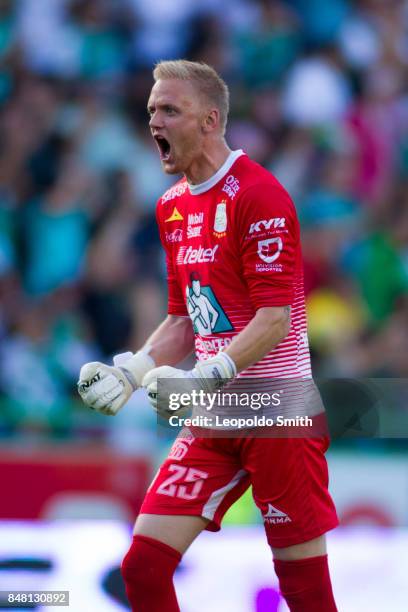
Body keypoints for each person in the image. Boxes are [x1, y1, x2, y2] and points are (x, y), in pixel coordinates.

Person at [77, 60, 339, 611]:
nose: (156, 121)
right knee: (143, 568)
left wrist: (204, 378)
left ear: (210, 120)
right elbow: (183, 322)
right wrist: (132, 370)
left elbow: (275, 319)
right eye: (152, 110)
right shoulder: (172, 206)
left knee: (305, 590)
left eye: (170, 109)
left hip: (277, 411)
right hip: (215, 412)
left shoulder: (259, 195)